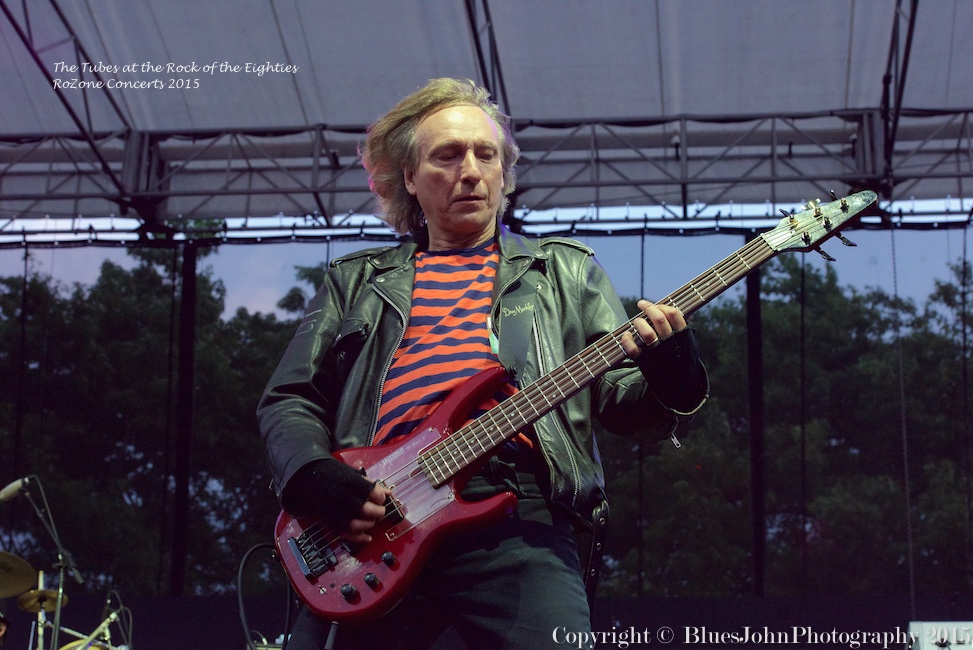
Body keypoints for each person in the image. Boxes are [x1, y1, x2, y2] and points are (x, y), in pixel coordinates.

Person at [257, 77, 708, 650]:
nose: (470, 170)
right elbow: (288, 398)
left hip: (522, 520)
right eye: (447, 155)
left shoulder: (565, 272)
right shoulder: (356, 281)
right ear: (411, 181)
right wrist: (313, 477)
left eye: (485, 154)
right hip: (372, 523)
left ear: (504, 175)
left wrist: (674, 370)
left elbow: (626, 405)